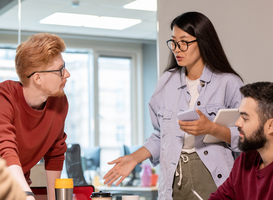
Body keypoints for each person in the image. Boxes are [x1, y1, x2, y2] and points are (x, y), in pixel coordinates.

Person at [103, 12, 243, 200]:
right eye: (174, 42)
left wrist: (212, 128)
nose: (177, 49)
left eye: (184, 42)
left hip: (214, 179)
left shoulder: (228, 82)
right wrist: (134, 158)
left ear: (202, 41)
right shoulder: (166, 81)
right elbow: (161, 136)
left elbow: (247, 138)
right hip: (174, 180)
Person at [0, 33, 70, 200]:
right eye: (60, 70)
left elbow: (55, 153)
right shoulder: (5, 97)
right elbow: (5, 149)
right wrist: (26, 195)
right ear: (38, 78)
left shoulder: (59, 102)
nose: (66, 74)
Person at [209, 82, 273, 200]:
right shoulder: (245, 160)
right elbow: (220, 197)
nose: (237, 123)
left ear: (271, 125)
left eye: (245, 118)